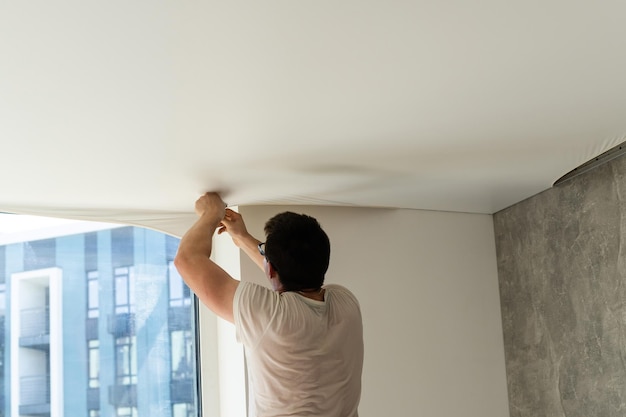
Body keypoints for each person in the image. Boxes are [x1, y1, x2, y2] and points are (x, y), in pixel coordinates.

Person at [174, 192, 364, 417]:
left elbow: (188, 259)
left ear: (270, 268)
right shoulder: (346, 303)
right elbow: (290, 271)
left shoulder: (270, 315)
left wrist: (211, 213)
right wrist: (242, 237)